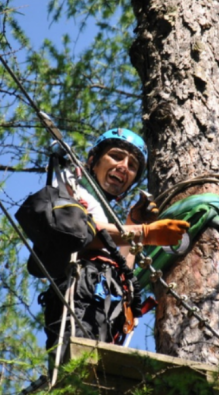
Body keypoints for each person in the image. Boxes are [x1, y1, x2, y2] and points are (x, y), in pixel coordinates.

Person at [41, 128, 190, 356]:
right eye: (116, 156)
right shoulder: (72, 186)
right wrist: (145, 232)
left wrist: (133, 221)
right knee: (80, 366)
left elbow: (122, 270)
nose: (123, 166)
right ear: (93, 161)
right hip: (79, 294)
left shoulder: (104, 213)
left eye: (132, 166)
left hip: (108, 305)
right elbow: (78, 233)